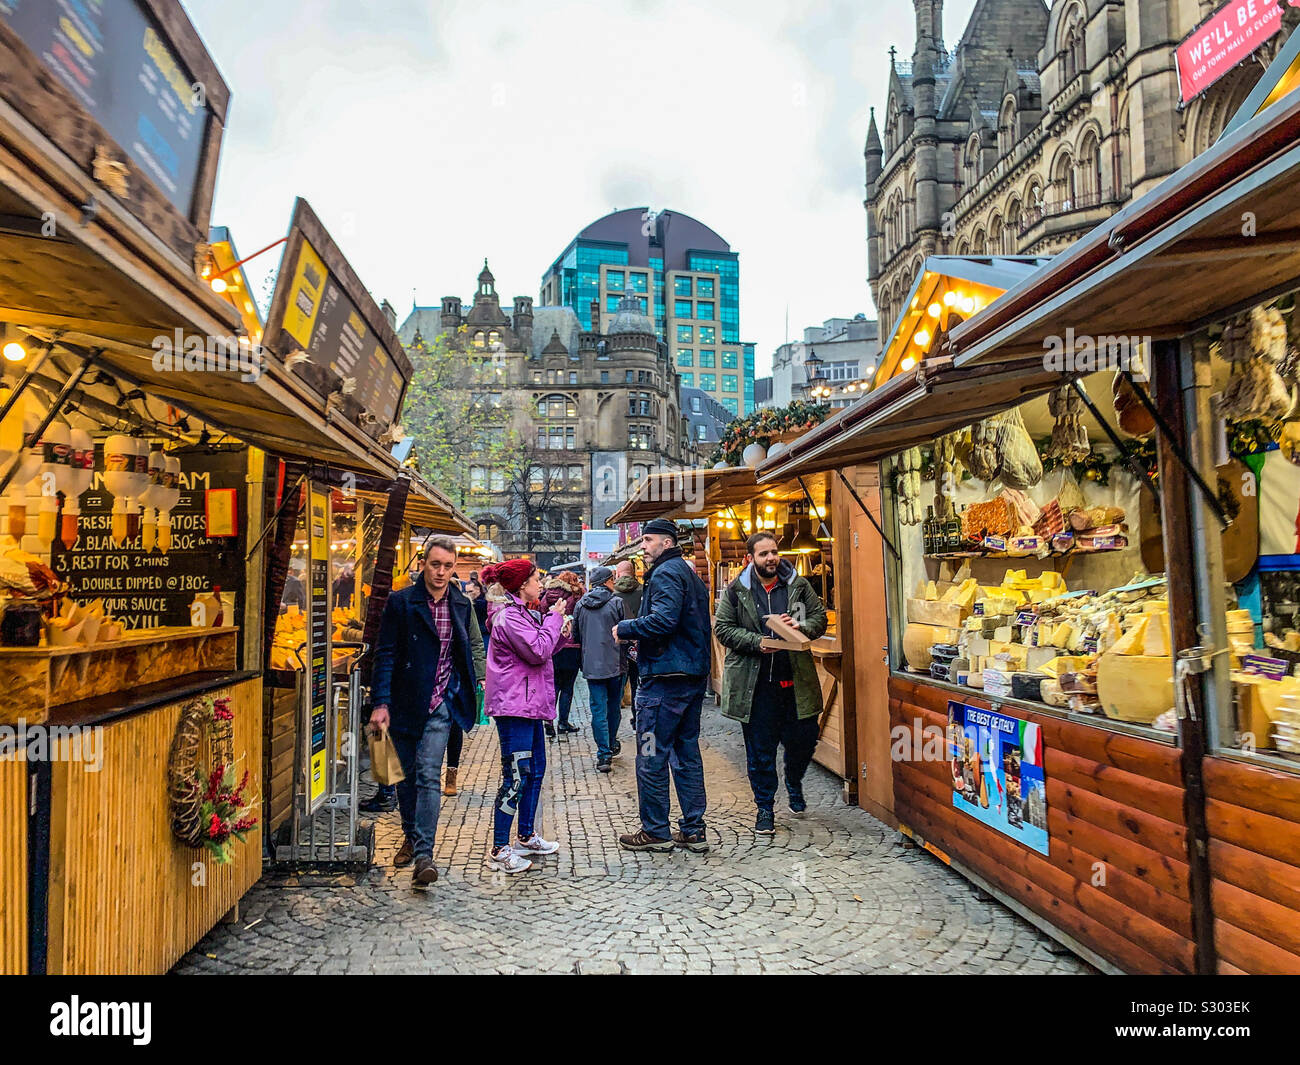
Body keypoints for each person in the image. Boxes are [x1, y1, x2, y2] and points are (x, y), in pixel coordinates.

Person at [370, 536, 485, 888]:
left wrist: (475, 684)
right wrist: (381, 702)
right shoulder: (402, 602)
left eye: (448, 567)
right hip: (405, 703)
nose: (441, 572)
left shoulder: (460, 604)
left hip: (441, 705)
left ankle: (424, 855)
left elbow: (470, 648)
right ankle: (410, 833)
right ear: (423, 564)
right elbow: (385, 653)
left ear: (454, 568)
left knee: (428, 776)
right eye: (435, 565)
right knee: (401, 778)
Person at [713, 530, 828, 837]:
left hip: (795, 680)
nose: (771, 558)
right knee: (760, 751)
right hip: (756, 685)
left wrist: (799, 625)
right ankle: (765, 807)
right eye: (764, 554)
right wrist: (758, 642)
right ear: (751, 558)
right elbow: (723, 629)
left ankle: (794, 779)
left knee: (803, 739)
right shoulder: (737, 590)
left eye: (774, 552)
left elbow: (819, 620)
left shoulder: (798, 586)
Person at [613, 518, 712, 854]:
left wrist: (626, 628)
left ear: (667, 542)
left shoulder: (668, 573)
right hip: (688, 677)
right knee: (686, 753)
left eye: (649, 540)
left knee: (651, 752)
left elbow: (665, 620)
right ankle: (694, 830)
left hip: (665, 681)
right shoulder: (688, 573)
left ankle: (656, 830)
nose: (644, 546)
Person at [484, 558, 567, 873]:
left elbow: (544, 650)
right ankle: (500, 848)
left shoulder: (523, 615)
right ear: (522, 585)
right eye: (536, 578)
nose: (541, 583)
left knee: (535, 770)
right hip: (515, 706)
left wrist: (556, 629)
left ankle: (527, 834)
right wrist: (554, 621)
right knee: (517, 775)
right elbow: (537, 651)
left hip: (529, 705)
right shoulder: (510, 618)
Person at [572, 565, 626, 772]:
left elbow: (576, 636)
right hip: (616, 663)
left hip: (591, 665)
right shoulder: (617, 602)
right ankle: (610, 745)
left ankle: (603, 754)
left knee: (598, 710)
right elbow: (627, 632)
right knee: (613, 707)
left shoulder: (580, 605)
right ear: (607, 581)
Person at [543, 571, 584, 738]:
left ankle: (549, 720)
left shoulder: (546, 597)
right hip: (571, 646)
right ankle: (563, 722)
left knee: (553, 685)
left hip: (552, 644)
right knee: (567, 686)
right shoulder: (575, 597)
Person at [613, 561, 642, 709]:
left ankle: (616, 709)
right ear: (634, 573)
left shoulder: (612, 594)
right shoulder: (643, 591)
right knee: (637, 681)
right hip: (639, 640)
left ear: (617, 573)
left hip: (618, 642)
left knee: (619, 681)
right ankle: (637, 717)